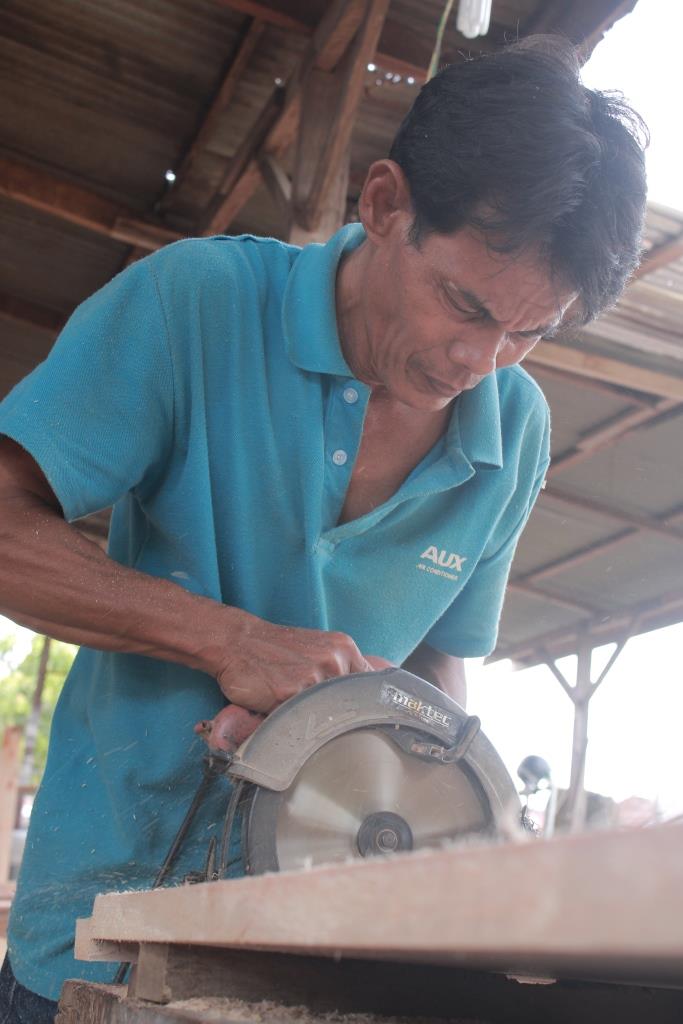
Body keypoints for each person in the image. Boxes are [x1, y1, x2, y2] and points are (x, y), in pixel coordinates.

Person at [0, 34, 646, 1020]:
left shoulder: (515, 432)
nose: (479, 357)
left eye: (527, 331)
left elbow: (433, 668)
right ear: (384, 205)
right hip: (97, 920)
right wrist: (230, 640)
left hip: (314, 947)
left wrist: (457, 817)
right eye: (462, 303)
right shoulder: (199, 305)